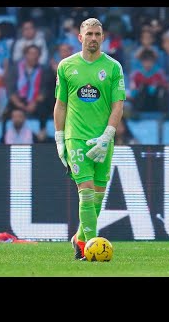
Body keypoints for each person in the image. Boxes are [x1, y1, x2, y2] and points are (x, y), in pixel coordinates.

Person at [53, 17, 125, 260]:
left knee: (96, 198)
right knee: (85, 193)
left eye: (97, 34)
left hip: (103, 140)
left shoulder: (114, 67)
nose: (93, 38)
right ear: (80, 38)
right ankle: (90, 251)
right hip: (76, 139)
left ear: (103, 38)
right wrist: (59, 137)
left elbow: (118, 105)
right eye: (89, 34)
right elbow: (60, 105)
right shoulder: (66, 66)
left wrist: (108, 135)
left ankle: (79, 239)